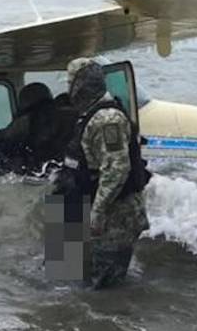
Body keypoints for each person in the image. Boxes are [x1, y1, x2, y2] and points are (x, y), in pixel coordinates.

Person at [54, 57, 150, 288]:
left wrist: (97, 214)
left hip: (114, 216)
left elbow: (117, 169)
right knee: (66, 279)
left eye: (71, 83)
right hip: (78, 204)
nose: (69, 89)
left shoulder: (108, 119)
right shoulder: (88, 116)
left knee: (104, 287)